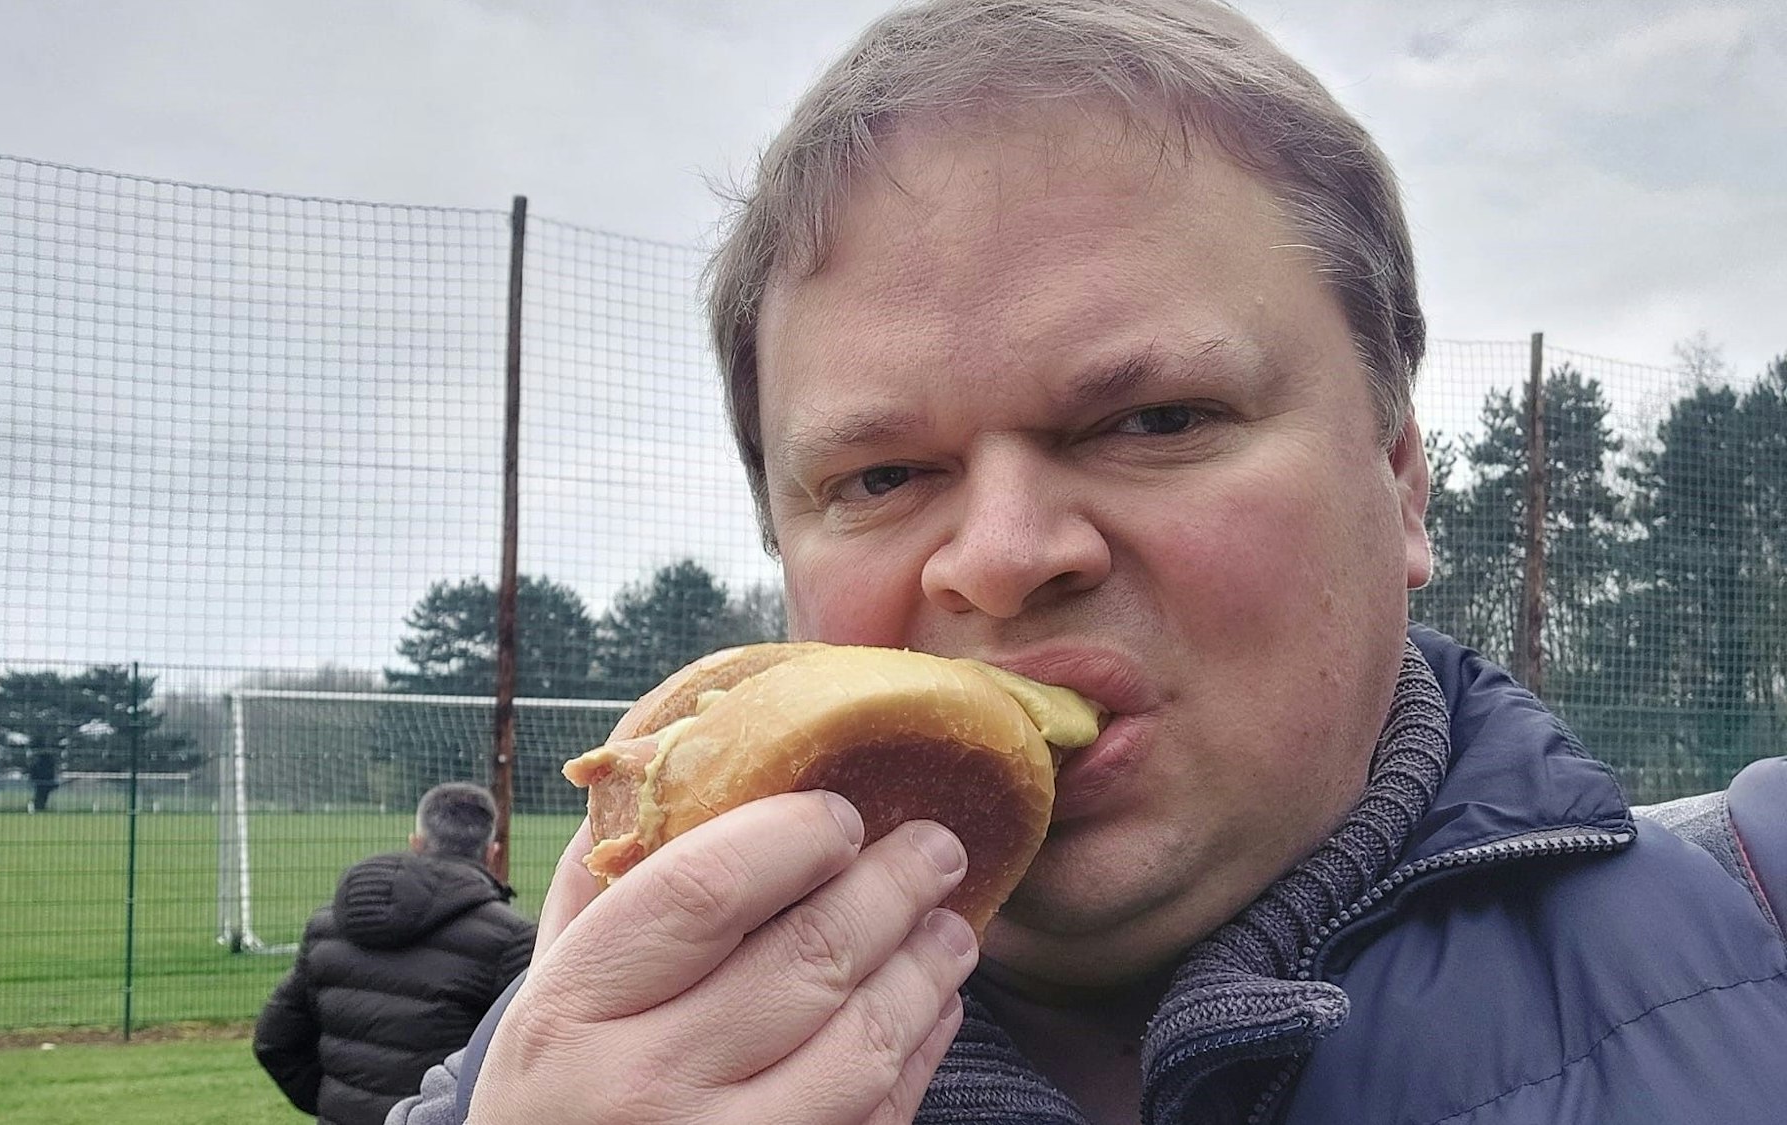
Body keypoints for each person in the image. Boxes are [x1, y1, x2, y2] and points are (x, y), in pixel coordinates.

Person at [390, 1, 1787, 1122]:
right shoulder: (519, 1095)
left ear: (1402, 477)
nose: (1000, 559)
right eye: (882, 476)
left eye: (1155, 419)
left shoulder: (1758, 934)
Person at [255, 781, 534, 1125]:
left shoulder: (328, 925)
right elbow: (527, 1065)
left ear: (416, 843)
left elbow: (274, 1042)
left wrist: (340, 1103)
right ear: (493, 853)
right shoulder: (513, 940)